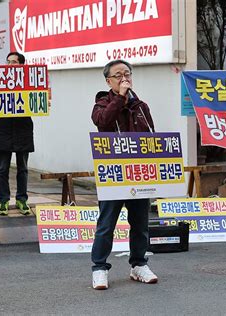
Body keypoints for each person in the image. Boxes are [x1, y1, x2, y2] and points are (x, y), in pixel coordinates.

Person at [91, 59, 157, 290]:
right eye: (118, 75)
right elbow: (104, 123)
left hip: (138, 174)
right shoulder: (101, 104)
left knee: (140, 223)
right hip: (114, 174)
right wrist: (119, 97)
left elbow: (152, 138)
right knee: (106, 224)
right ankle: (99, 267)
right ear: (109, 81)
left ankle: (139, 264)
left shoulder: (141, 106)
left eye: (127, 74)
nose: (123, 78)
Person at [0, 52, 33, 215]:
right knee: (3, 168)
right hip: (4, 129)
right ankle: (3, 200)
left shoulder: (30, 81)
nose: (10, 65)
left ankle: (21, 199)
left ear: (22, 66)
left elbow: (37, 100)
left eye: (14, 62)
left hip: (23, 129)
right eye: (8, 62)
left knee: (22, 168)